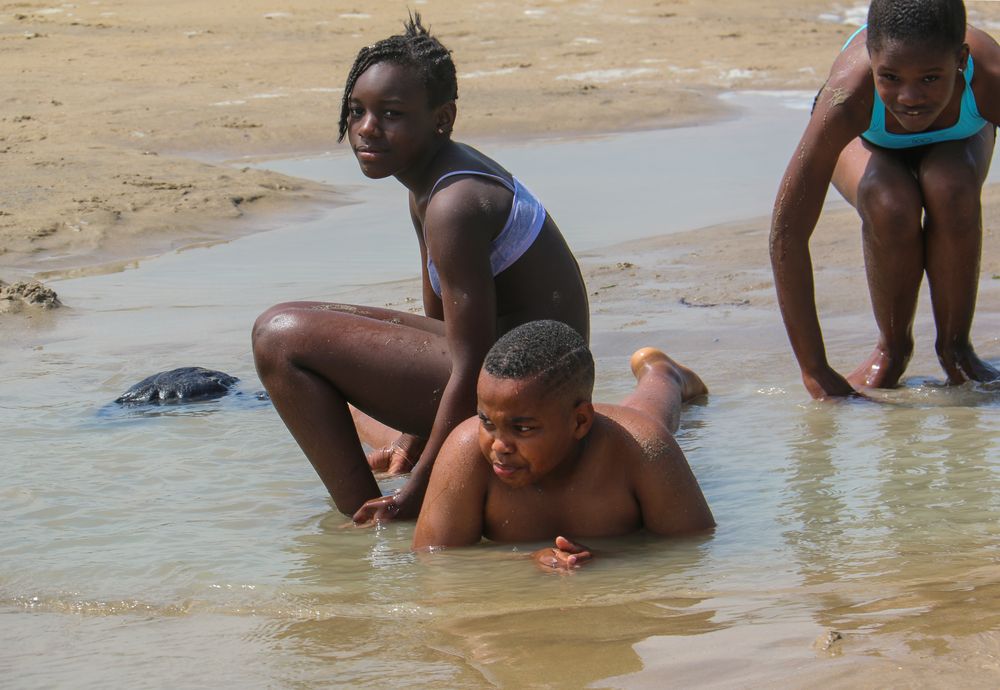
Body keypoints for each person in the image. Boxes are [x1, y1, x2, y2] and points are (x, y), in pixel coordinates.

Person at [251, 16, 589, 521]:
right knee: (300, 319)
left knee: (278, 337)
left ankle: (365, 517)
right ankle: (385, 483)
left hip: (528, 395)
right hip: (508, 371)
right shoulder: (429, 183)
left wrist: (420, 491)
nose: (366, 129)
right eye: (357, 111)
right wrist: (411, 445)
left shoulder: (455, 203)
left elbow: (470, 360)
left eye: (390, 114)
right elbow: (444, 331)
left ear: (442, 118)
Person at [770, 0, 1000, 399]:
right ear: (871, 58)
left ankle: (956, 350)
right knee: (890, 202)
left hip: (959, 138)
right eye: (890, 76)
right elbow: (786, 233)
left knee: (951, 186)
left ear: (960, 59)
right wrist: (815, 369)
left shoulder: (991, 76)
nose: (910, 97)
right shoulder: (847, 96)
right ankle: (892, 350)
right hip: (869, 137)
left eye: (930, 78)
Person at [411, 320, 715, 570]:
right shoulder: (466, 452)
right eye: (487, 422)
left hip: (626, 431)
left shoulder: (640, 449)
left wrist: (609, 561)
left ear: (580, 422)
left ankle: (663, 373)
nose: (500, 445)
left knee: (650, 415)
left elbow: (692, 550)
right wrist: (526, 559)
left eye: (523, 428)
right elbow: (434, 560)